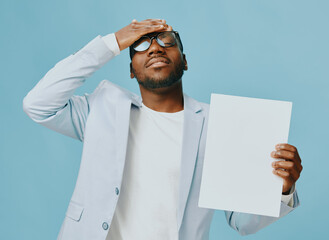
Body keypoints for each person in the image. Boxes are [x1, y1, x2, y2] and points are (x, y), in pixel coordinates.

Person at [23, 19, 303, 240]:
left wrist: (282, 190)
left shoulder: (218, 125)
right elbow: (38, 104)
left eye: (166, 42)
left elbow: (242, 222)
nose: (155, 48)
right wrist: (112, 43)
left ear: (185, 60)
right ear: (131, 70)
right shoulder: (102, 110)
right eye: (141, 46)